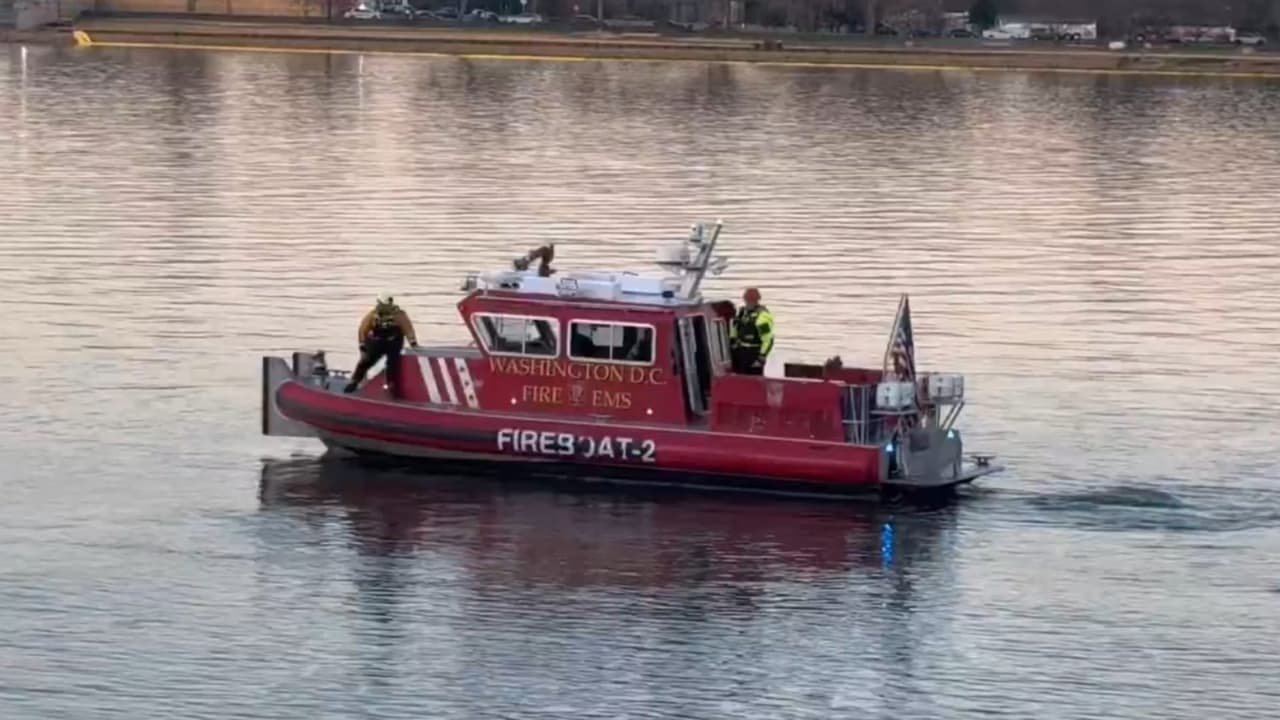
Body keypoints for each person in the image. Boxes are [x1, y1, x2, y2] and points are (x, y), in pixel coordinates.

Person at [343, 293, 418, 398]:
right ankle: (354, 382)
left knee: (393, 364)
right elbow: (363, 329)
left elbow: (408, 328)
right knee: (365, 362)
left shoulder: (399, 315)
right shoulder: (372, 315)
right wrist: (362, 344)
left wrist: (413, 342)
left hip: (393, 342)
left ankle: (390, 386)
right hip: (377, 342)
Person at [729, 287, 774, 375]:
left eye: (750, 301)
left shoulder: (762, 317)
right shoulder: (742, 312)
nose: (748, 303)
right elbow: (735, 327)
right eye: (747, 300)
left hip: (754, 354)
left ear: (757, 301)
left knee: (754, 382)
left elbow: (768, 340)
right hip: (740, 352)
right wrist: (733, 341)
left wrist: (761, 358)